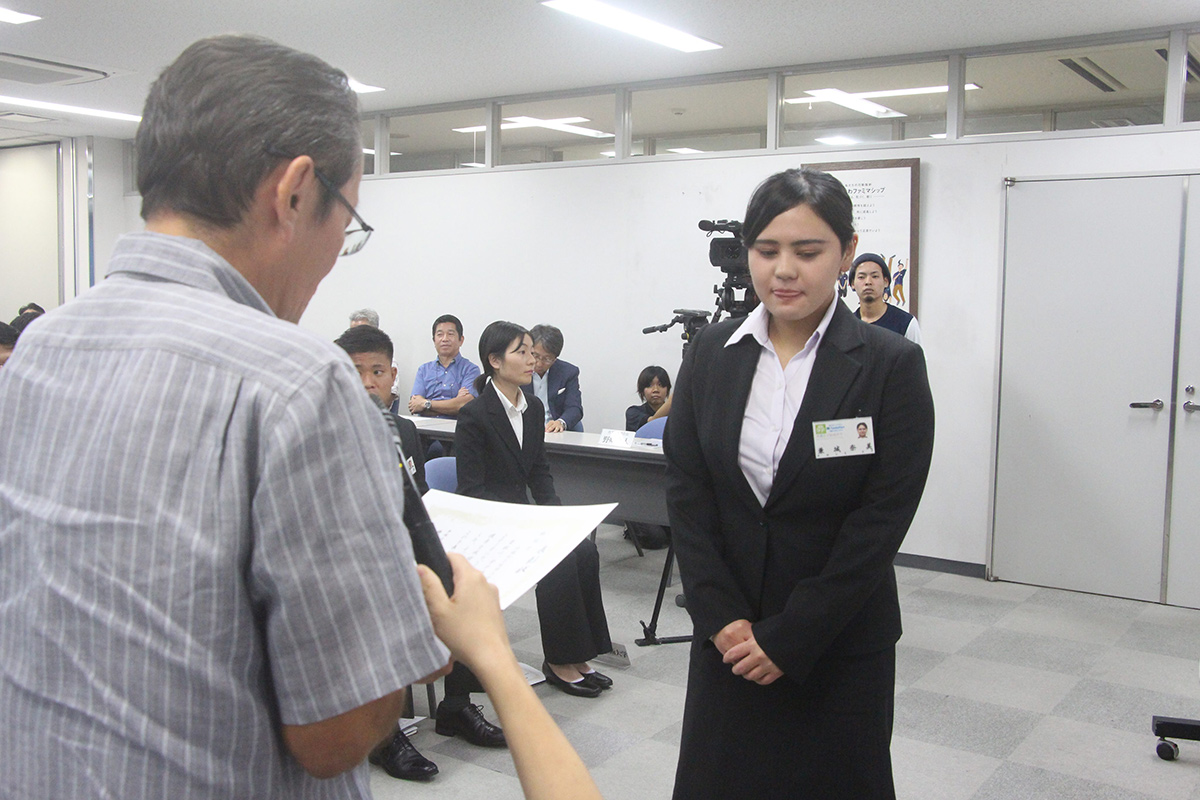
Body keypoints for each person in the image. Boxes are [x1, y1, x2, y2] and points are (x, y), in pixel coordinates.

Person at [0, 34, 464, 797]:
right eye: (343, 225)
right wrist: (425, 628)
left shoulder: (42, 346)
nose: (331, 258)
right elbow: (336, 731)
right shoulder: (296, 380)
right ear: (293, 192)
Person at [665, 167, 935, 799]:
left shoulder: (890, 364)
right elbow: (688, 486)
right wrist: (719, 614)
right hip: (728, 638)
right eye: (767, 250)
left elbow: (883, 516)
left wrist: (792, 635)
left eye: (807, 251)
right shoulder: (711, 351)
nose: (784, 269)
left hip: (836, 642)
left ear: (845, 251)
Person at [456, 321, 614, 698]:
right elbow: (471, 490)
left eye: (532, 352)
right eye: (522, 352)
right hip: (492, 523)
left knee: (584, 548)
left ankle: (580, 653)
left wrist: (556, 517)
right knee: (556, 558)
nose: (532, 360)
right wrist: (526, 522)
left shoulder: (533, 408)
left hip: (524, 518)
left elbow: (539, 472)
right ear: (495, 361)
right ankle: (558, 661)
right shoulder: (475, 415)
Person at [409, 314, 481, 418]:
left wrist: (426, 404)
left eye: (450, 334)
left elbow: (463, 405)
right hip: (424, 430)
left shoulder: (471, 370)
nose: (445, 339)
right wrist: (454, 404)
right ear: (434, 340)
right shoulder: (423, 370)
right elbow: (415, 406)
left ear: (461, 340)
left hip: (456, 430)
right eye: (440, 334)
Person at [522, 323, 584, 432]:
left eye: (547, 359)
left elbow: (574, 408)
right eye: (535, 356)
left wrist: (561, 422)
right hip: (526, 428)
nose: (539, 363)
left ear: (555, 358)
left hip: (555, 430)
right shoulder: (518, 370)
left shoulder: (568, 372)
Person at [851, 252, 923, 345]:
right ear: (852, 284)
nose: (868, 282)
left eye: (875, 276)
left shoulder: (906, 323)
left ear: (886, 282)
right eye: (861, 277)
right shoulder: (847, 326)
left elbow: (918, 359)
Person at [625, 365, 672, 432]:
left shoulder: (676, 413)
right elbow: (652, 423)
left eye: (660, 385)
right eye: (649, 385)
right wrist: (672, 400)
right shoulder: (633, 412)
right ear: (642, 390)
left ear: (667, 389)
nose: (655, 390)